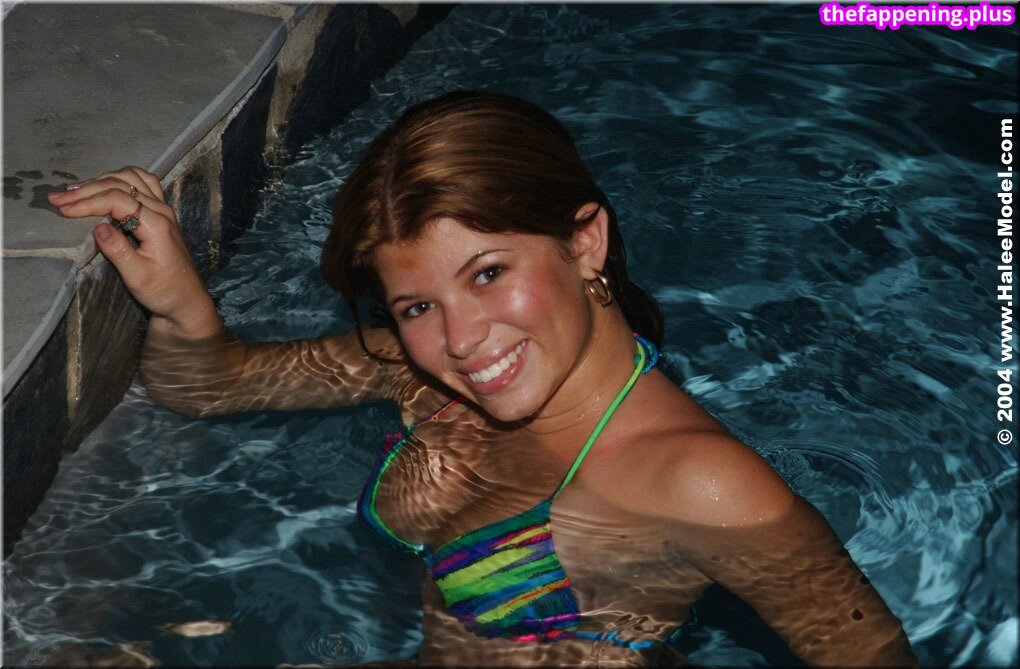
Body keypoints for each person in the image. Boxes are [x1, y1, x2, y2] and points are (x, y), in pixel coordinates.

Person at [48, 91, 917, 667]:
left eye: (489, 273)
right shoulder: (428, 375)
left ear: (585, 241)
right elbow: (211, 386)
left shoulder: (698, 481)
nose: (462, 340)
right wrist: (179, 300)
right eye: (417, 304)